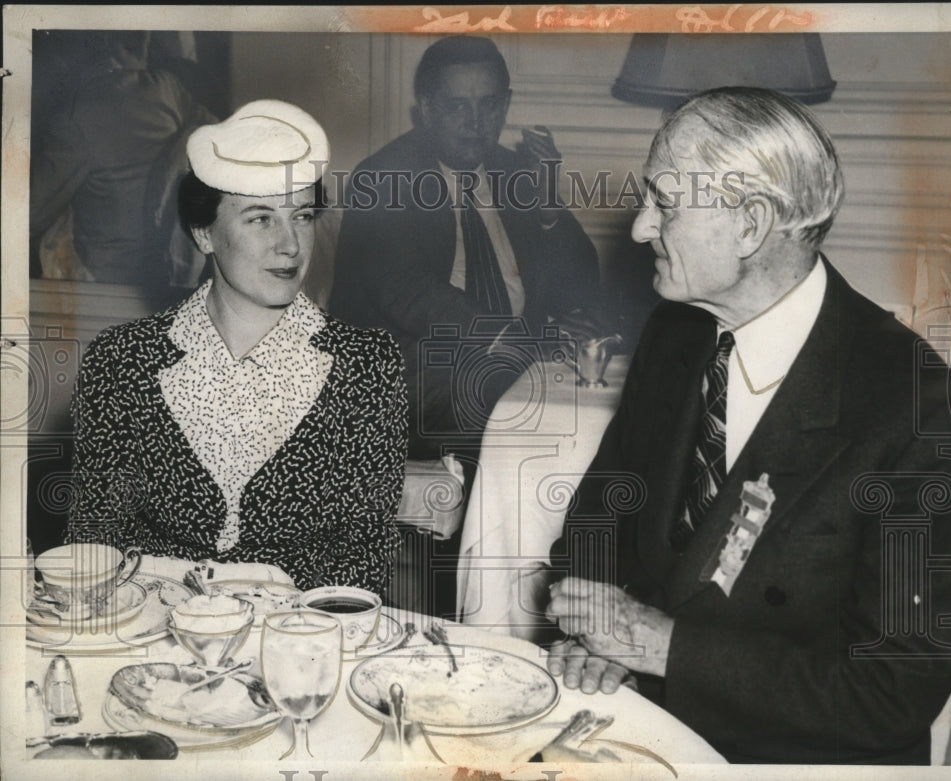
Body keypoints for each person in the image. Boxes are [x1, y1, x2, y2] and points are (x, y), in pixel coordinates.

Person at [544, 87, 951, 765]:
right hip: (643, 726)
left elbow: (894, 690)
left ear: (751, 224)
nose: (640, 228)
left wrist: (663, 647)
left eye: (665, 204)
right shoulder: (676, 331)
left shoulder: (913, 402)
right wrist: (590, 632)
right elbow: (603, 515)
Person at [66, 100, 408, 594]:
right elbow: (94, 545)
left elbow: (362, 559)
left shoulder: (367, 366)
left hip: (299, 641)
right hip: (154, 638)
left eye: (303, 216)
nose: (290, 245)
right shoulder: (122, 362)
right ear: (204, 233)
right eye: (261, 219)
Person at [329, 35, 601, 461]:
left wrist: (548, 206)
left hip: (516, 361)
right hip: (408, 374)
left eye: (489, 105)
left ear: (506, 105)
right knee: (530, 423)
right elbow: (407, 291)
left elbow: (581, 286)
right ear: (427, 109)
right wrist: (521, 339)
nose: (477, 123)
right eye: (458, 107)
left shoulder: (514, 172)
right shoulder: (382, 177)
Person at [29, 31, 215, 286]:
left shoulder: (77, 115)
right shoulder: (168, 88)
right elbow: (213, 130)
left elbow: (27, 213)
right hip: (178, 280)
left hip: (110, 288)